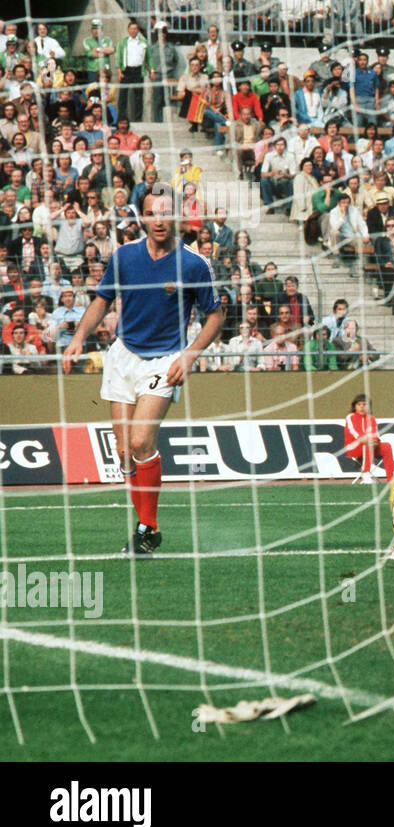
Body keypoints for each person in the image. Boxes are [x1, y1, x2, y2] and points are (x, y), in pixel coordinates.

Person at [62, 187, 224, 555]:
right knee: (122, 452)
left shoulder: (194, 264)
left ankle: (147, 528)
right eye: (153, 213)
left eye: (166, 213)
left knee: (139, 443)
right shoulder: (124, 257)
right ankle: (147, 529)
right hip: (123, 356)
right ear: (144, 218)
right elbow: (101, 301)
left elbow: (216, 316)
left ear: (177, 218)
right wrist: (79, 338)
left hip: (165, 360)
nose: (160, 220)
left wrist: (190, 355)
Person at [344, 394, 394, 482]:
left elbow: (375, 434)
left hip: (370, 447)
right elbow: (354, 432)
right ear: (354, 406)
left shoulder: (372, 419)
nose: (361, 407)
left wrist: (376, 442)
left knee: (386, 446)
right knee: (367, 443)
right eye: (359, 405)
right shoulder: (350, 417)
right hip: (354, 447)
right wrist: (367, 440)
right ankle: (366, 473)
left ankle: (391, 479)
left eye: (364, 404)